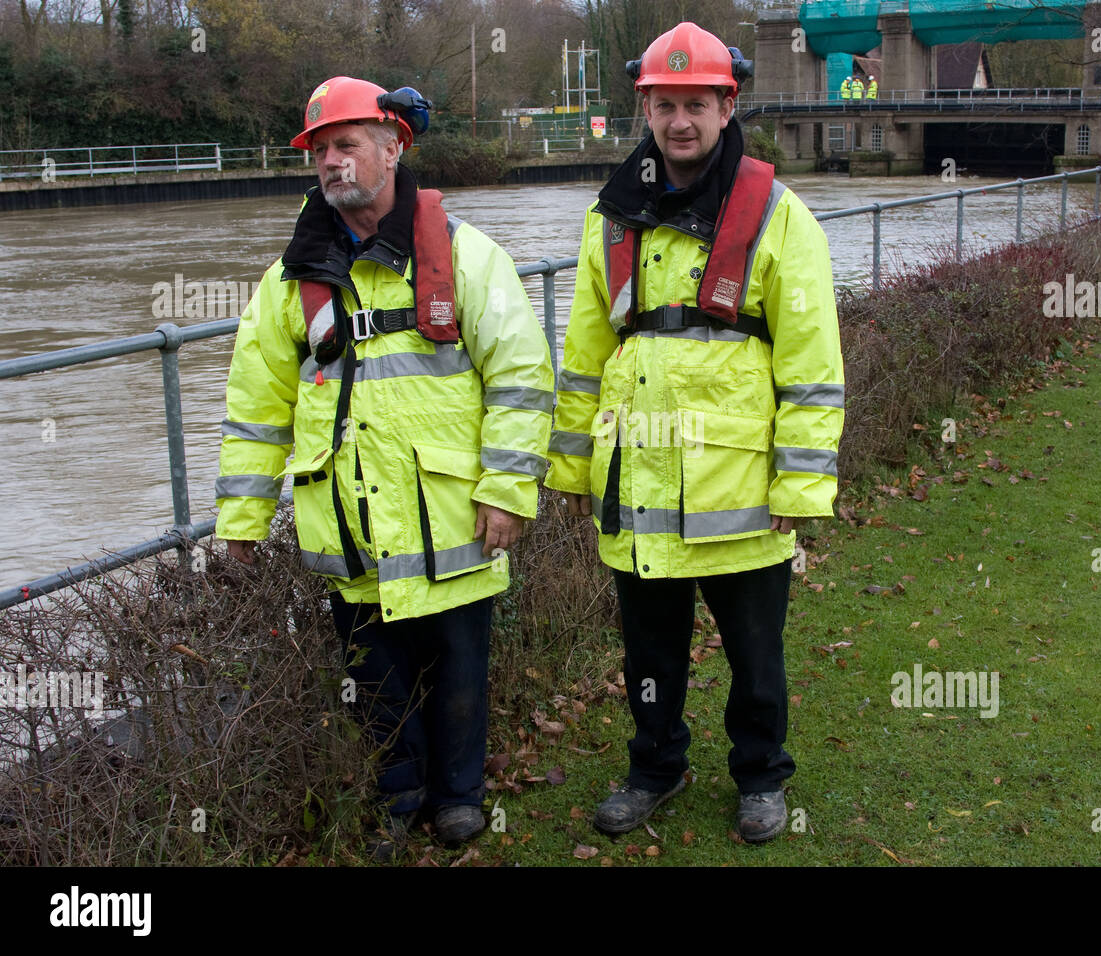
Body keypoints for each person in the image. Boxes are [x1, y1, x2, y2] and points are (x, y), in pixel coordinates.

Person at [215, 76, 554, 860]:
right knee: (376, 685)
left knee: (461, 674)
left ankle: (461, 800)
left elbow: (522, 377)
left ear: (393, 146)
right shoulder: (289, 283)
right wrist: (238, 526)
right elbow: (254, 413)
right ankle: (397, 799)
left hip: (451, 523)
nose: (333, 163)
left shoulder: (465, 255)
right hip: (355, 530)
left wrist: (507, 490)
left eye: (347, 145)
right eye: (321, 151)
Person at [545, 23, 844, 845]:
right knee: (648, 655)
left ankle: (761, 777)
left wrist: (800, 484)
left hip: (739, 487)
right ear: (645, 106)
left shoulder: (779, 216)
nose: (680, 122)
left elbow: (812, 365)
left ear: (727, 105)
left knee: (755, 654)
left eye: (697, 105)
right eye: (665, 105)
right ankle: (655, 767)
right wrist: (572, 471)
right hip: (636, 482)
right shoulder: (611, 219)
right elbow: (583, 355)